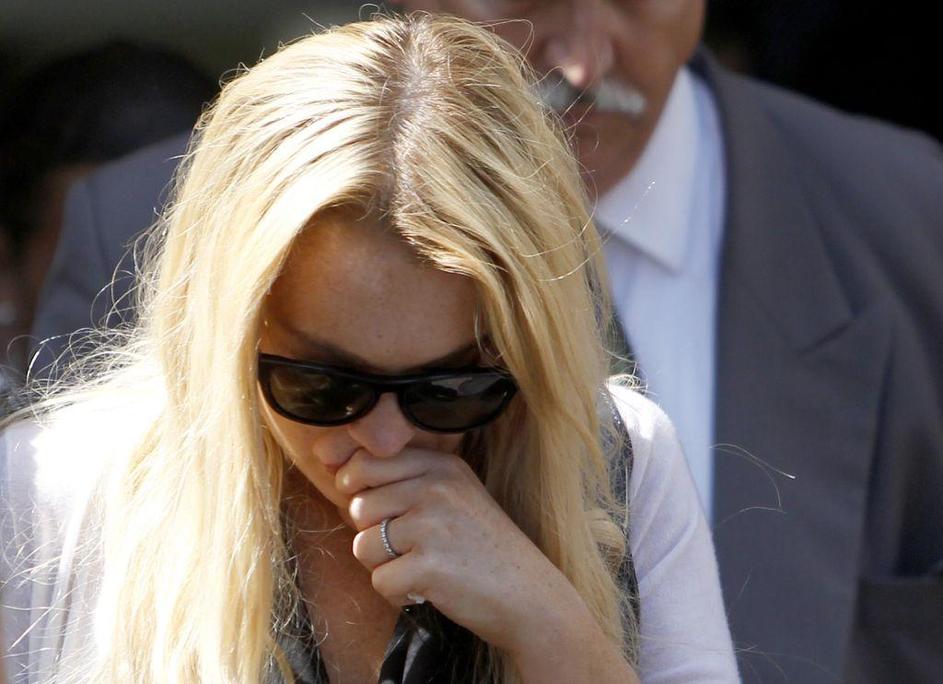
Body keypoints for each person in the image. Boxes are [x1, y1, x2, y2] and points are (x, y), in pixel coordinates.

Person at [29, 3, 943, 682]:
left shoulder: (625, 461)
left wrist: (553, 629)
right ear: (223, 333)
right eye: (319, 386)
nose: (385, 440)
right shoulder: (52, 494)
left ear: (527, 353)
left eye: (450, 391)